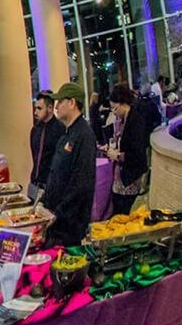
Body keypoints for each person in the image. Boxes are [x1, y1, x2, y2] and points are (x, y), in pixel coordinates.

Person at [43, 83, 98, 246]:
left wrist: (58, 213)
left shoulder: (84, 135)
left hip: (69, 223)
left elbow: (82, 184)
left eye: (60, 102)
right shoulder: (67, 134)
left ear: (72, 103)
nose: (56, 107)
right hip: (56, 220)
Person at [106, 84, 150, 215]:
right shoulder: (124, 120)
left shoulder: (136, 121)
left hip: (131, 178)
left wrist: (118, 156)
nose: (114, 112)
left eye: (115, 108)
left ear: (123, 103)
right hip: (123, 176)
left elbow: (137, 153)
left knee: (124, 213)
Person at [29, 92, 66, 190]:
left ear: (50, 108)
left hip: (52, 184)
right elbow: (35, 155)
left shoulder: (60, 129)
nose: (35, 112)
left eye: (39, 108)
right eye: (35, 108)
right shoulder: (35, 130)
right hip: (35, 181)